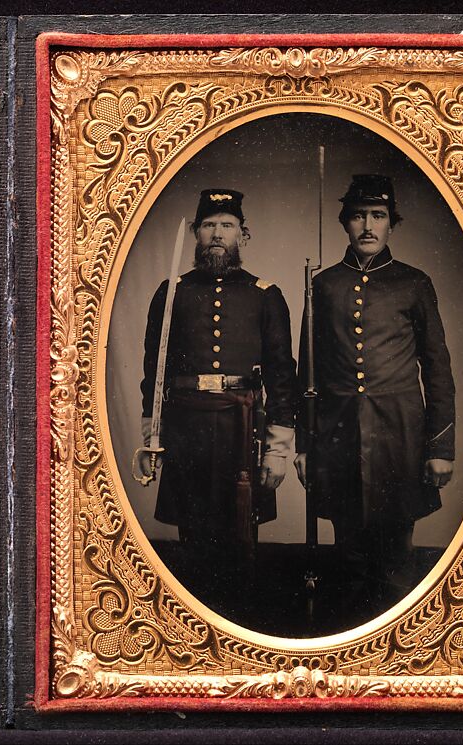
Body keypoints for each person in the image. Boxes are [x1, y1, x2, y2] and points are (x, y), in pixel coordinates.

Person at [295, 174, 456, 615]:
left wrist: (441, 446)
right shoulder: (323, 286)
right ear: (346, 223)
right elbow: (306, 371)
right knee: (347, 557)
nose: (368, 225)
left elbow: (438, 367)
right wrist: (305, 446)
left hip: (399, 435)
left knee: (396, 561)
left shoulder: (414, 284)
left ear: (391, 224)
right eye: (359, 216)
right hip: (337, 435)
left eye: (378, 216)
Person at [140, 189, 298, 608]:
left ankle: (239, 617)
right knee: (192, 537)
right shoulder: (171, 292)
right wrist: (151, 437)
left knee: (241, 532)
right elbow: (152, 374)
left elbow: (283, 377)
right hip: (186, 428)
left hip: (242, 429)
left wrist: (279, 450)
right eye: (209, 225)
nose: (216, 234)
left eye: (226, 226)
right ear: (195, 232)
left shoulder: (266, 294)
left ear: (243, 235)